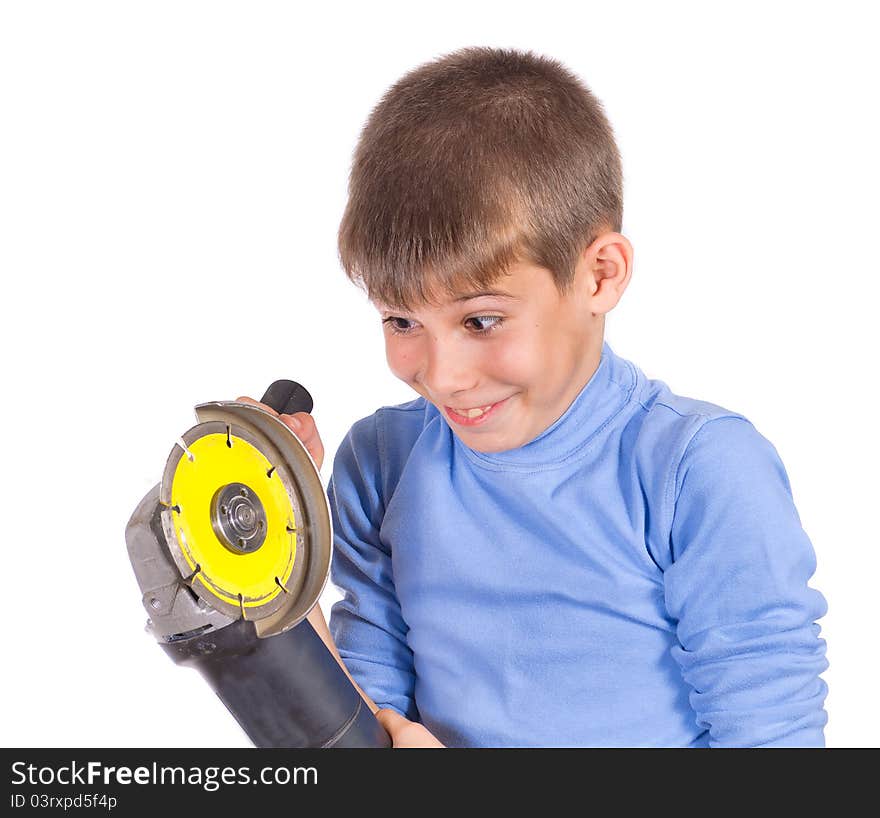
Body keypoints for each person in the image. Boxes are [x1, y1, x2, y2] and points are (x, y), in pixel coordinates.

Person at [245, 47, 828, 747]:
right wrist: (281, 549)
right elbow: (366, 718)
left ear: (600, 276)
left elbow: (771, 740)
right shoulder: (382, 460)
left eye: (480, 321)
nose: (443, 374)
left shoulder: (700, 470)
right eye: (401, 320)